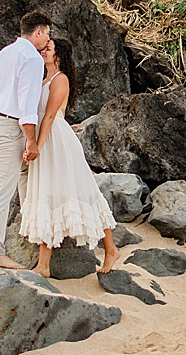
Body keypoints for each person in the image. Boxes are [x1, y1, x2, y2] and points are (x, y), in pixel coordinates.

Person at [19, 37, 119, 276]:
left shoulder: (60, 79)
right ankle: (43, 265)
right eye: (43, 48)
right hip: (45, 140)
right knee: (47, 194)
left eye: (48, 49)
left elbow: (51, 116)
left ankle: (111, 249)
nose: (43, 51)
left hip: (57, 140)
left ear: (59, 55)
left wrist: (37, 146)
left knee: (85, 192)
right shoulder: (43, 79)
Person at [0, 10, 52, 269]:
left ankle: (29, 228)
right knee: (2, 188)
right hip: (9, 125)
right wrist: (31, 140)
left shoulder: (6, 52)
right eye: (47, 34)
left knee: (24, 176)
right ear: (38, 32)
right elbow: (27, 104)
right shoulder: (32, 58)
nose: (48, 40)